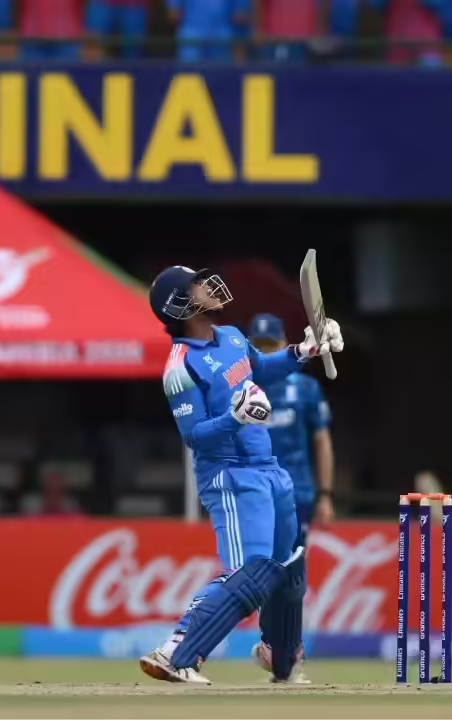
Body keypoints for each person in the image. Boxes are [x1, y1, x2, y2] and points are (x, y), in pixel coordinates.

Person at [140, 266, 344, 685]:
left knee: (287, 567)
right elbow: (195, 435)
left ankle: (279, 654)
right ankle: (177, 650)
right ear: (180, 304)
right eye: (197, 284)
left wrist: (303, 351)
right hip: (230, 476)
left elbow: (260, 369)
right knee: (250, 572)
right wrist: (234, 418)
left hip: (269, 467)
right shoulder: (180, 366)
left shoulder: (232, 336)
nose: (208, 286)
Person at [245, 313, 335, 684]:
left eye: (271, 346)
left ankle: (286, 650)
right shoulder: (245, 386)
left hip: (297, 493)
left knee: (290, 571)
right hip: (256, 491)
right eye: (259, 347)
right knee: (266, 569)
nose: (267, 352)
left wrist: (326, 493)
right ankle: (276, 644)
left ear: (283, 345)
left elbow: (322, 441)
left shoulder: (306, 389)